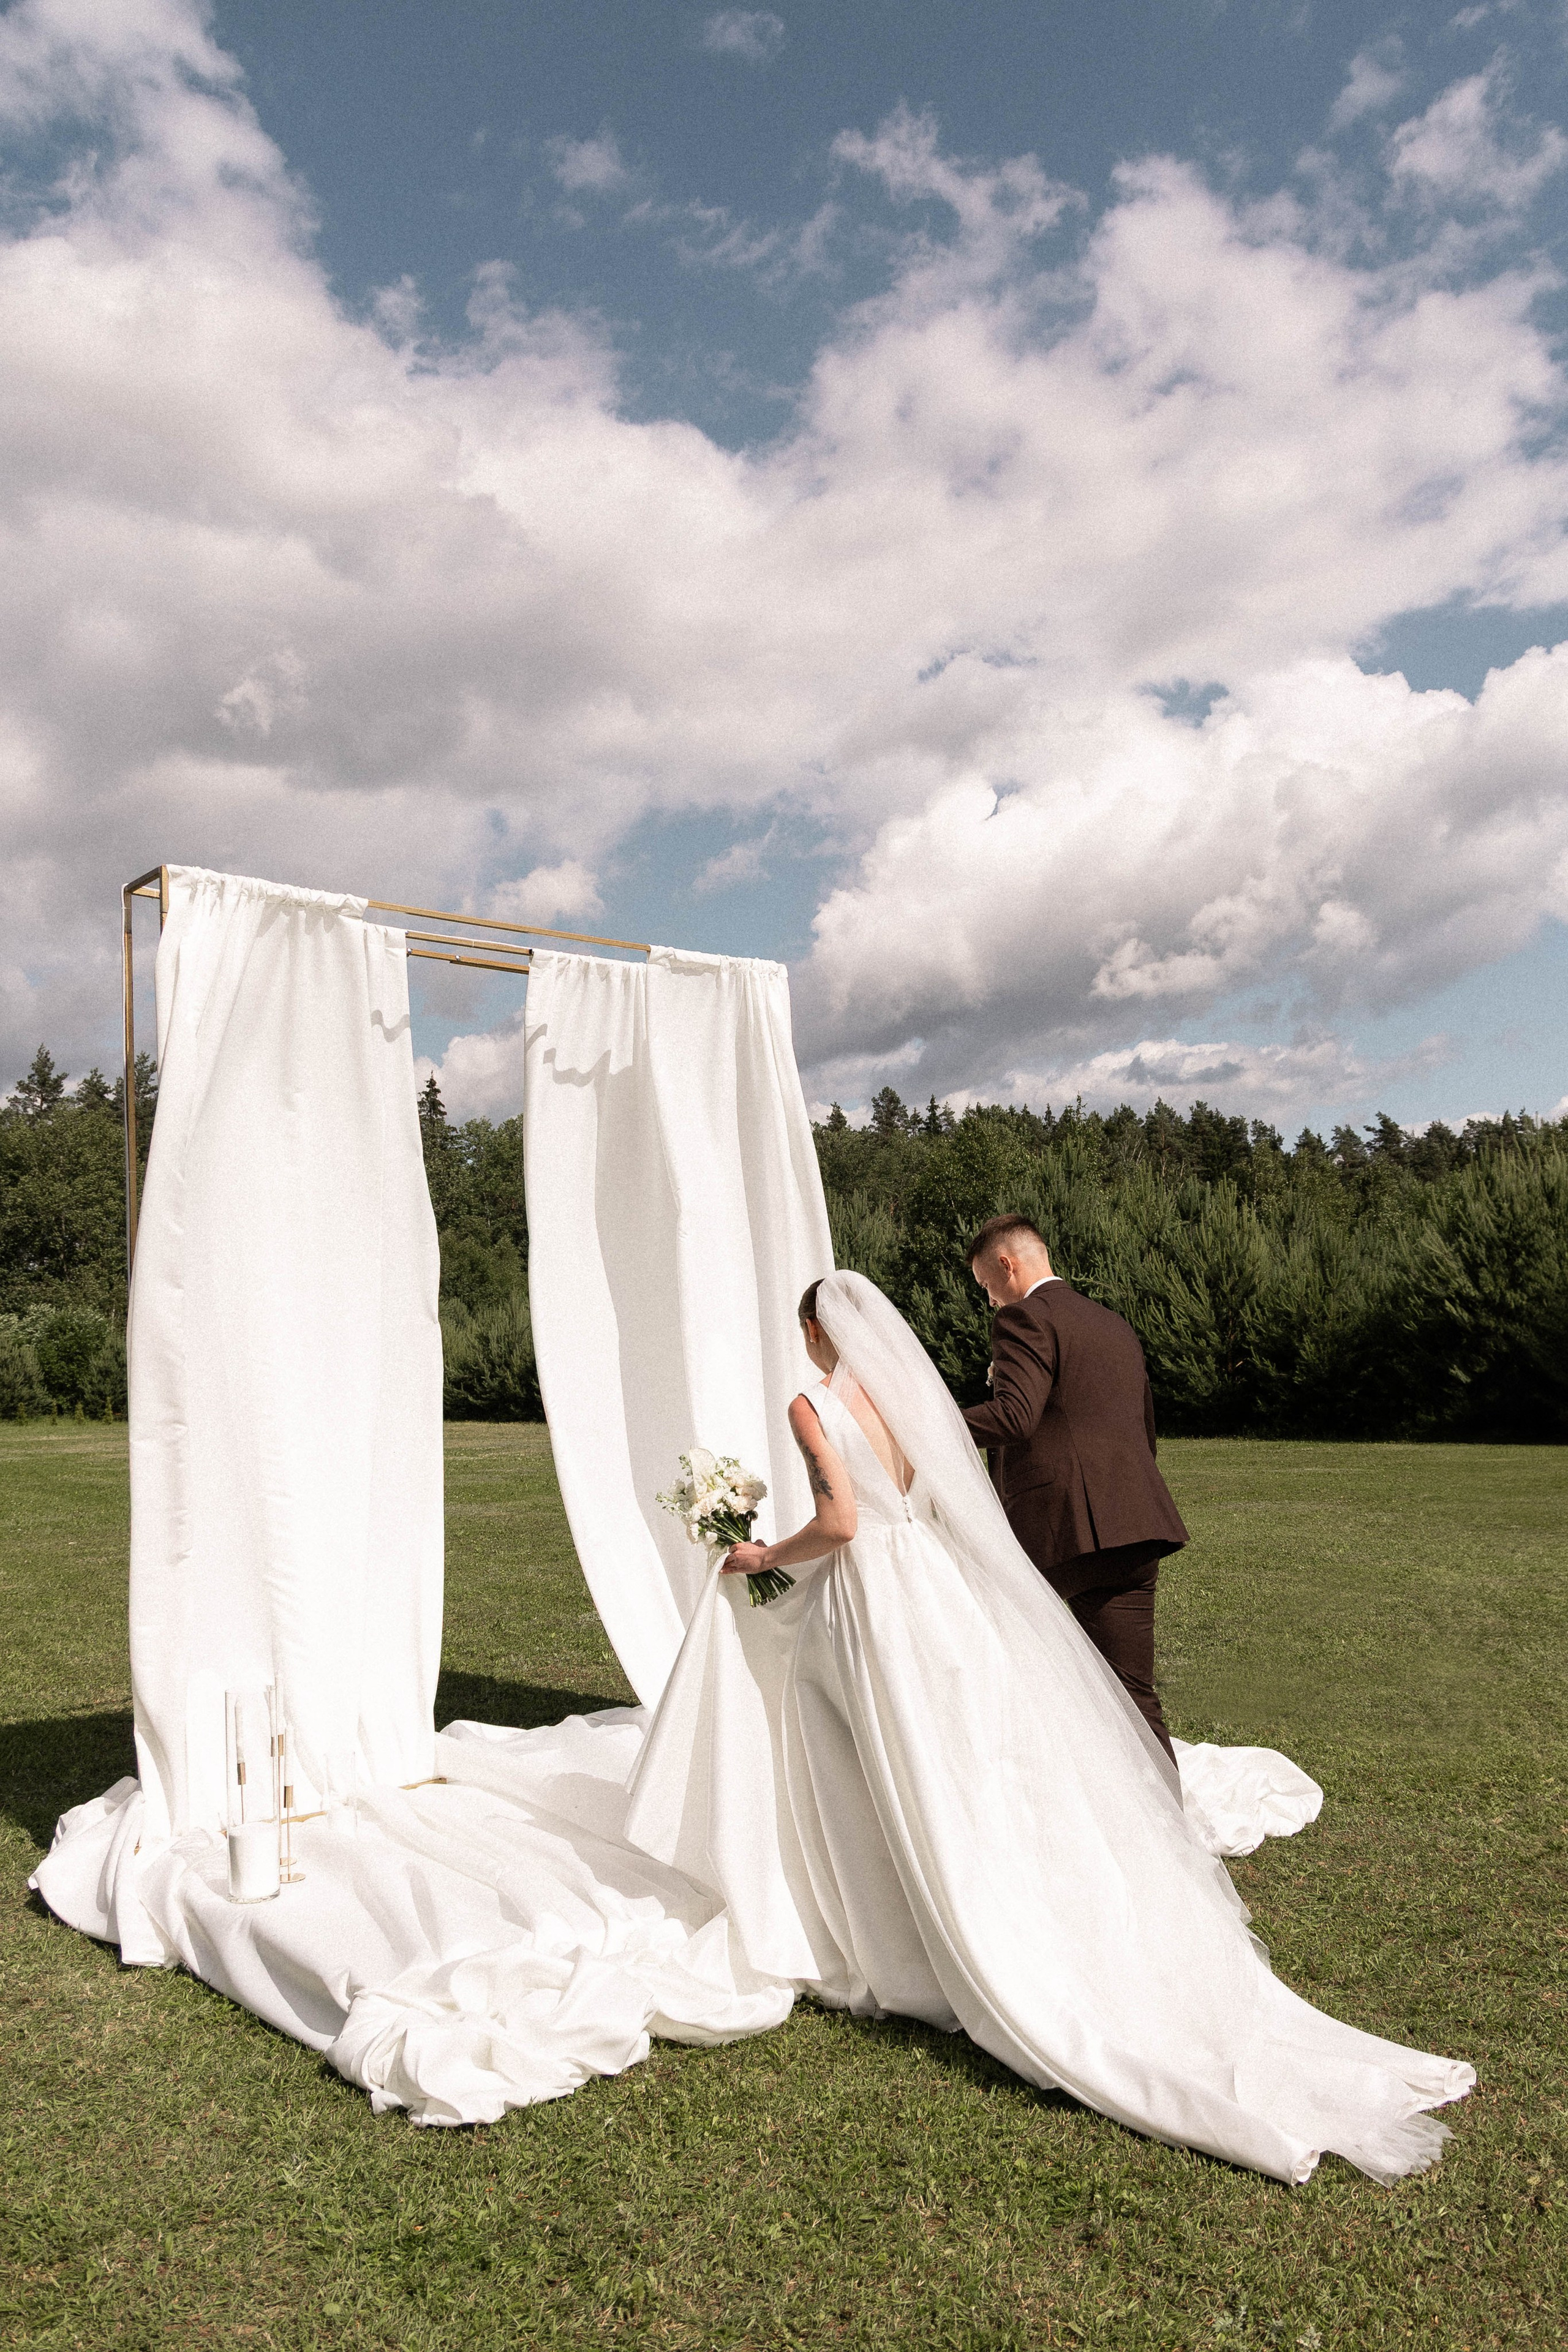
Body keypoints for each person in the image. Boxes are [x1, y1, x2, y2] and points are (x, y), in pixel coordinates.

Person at [662, 1268, 1472, 2185]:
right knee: (957, 1760)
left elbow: (842, 1522)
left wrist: (765, 1552)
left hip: (875, 1600)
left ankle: (899, 1928)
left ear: (818, 1331)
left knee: (882, 1757)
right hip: (935, 1586)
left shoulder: (813, 1404)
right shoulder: (910, 1400)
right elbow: (917, 1501)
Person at [960, 1214, 1186, 1763]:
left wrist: (921, 1420)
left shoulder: (1023, 1318)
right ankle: (1164, 1825)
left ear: (1006, 1265)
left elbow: (1015, 1417)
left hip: (1067, 1532)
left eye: (986, 1286)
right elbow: (1143, 1428)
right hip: (1137, 1521)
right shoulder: (1112, 1323)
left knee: (991, 1650)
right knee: (1132, 1692)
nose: (991, 1301)